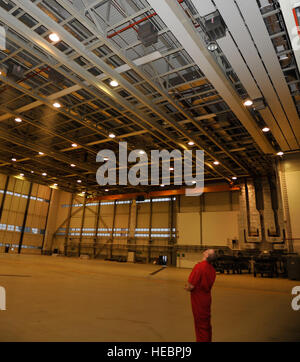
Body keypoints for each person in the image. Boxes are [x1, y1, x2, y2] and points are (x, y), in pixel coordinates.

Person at [185, 249, 216, 342]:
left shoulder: (199, 267)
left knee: (200, 325)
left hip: (198, 299)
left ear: (206, 255)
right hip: (207, 299)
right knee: (206, 324)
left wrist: (187, 288)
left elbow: (191, 285)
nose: (205, 250)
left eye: (208, 251)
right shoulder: (212, 270)